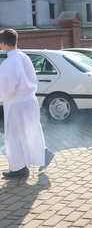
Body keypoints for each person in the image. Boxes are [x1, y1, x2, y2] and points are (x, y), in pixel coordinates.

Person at [0, 28, 53, 178]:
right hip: (29, 99)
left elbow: (6, 89)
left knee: (15, 135)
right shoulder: (24, 57)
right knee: (31, 130)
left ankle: (19, 168)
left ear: (3, 43)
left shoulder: (8, 62)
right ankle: (43, 152)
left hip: (16, 103)